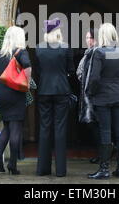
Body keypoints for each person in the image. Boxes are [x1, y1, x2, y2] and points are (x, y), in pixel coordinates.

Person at [86, 23, 119, 179]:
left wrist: (91, 93)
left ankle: (104, 169)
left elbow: (94, 78)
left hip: (102, 98)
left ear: (102, 36)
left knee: (105, 131)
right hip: (118, 96)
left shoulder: (99, 52)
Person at [34, 18, 74, 177]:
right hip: (61, 90)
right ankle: (60, 170)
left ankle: (42, 169)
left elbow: (38, 71)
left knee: (44, 128)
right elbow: (70, 70)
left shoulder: (39, 48)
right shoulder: (65, 48)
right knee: (60, 129)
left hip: (44, 90)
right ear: (58, 31)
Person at [0, 26, 32, 175]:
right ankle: (12, 164)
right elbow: (27, 66)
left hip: (1, 95)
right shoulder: (21, 52)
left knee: (6, 127)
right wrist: (26, 83)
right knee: (15, 129)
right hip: (15, 94)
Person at [76, 28, 100, 164]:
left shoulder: (96, 53)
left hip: (93, 95)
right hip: (87, 95)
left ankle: (105, 152)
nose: (86, 40)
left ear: (95, 39)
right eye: (85, 37)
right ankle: (102, 152)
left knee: (96, 125)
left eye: (88, 37)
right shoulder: (88, 53)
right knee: (92, 125)